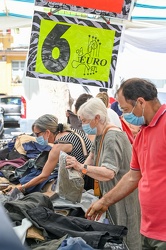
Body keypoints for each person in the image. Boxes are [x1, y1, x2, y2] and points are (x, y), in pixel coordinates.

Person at [85, 78, 166, 250]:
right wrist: (105, 201)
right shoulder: (142, 134)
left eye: (126, 109)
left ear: (141, 102)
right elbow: (132, 176)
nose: (123, 115)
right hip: (148, 228)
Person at [65, 97, 141, 250]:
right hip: (112, 194)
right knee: (117, 233)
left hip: (123, 197)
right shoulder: (101, 134)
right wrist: (78, 169)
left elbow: (109, 172)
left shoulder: (112, 136)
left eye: (85, 121)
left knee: (128, 236)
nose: (83, 125)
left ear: (97, 118)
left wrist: (81, 168)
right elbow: (92, 157)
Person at [13, 114, 92, 193]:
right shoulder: (73, 132)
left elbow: (43, 176)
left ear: (47, 132)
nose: (36, 138)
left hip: (84, 180)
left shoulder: (59, 146)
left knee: (45, 184)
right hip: (91, 174)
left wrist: (22, 187)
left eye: (37, 134)